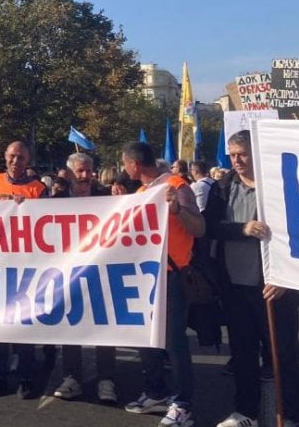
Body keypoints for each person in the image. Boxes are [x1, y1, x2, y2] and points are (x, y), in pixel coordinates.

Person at [205, 130, 299, 427]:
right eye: (232, 155)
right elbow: (209, 226)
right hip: (235, 284)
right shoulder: (222, 187)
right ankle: (246, 411)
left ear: (257, 153)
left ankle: (290, 415)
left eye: (242, 155)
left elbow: (297, 234)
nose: (236, 161)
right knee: (242, 352)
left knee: (282, 355)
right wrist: (242, 229)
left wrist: (287, 276)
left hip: (275, 287)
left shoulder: (279, 185)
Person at [121, 142, 204, 427]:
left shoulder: (176, 185)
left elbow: (199, 227)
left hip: (172, 274)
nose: (123, 169)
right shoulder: (142, 193)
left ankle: (183, 403)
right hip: (147, 275)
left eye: (124, 164)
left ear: (134, 165)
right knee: (147, 338)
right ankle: (156, 391)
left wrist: (178, 209)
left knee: (173, 342)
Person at [0, 141, 51, 399]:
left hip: (25, 265)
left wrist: (29, 209)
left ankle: (25, 376)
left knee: (23, 323)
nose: (15, 161)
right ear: (5, 157)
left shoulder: (38, 188)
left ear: (28, 160)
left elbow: (49, 223)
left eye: (20, 157)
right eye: (12, 156)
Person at [52, 153, 119, 405]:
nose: (85, 176)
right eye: (80, 171)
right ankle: (71, 377)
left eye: (88, 171)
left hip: (101, 270)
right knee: (71, 324)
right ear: (68, 173)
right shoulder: (55, 201)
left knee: (104, 325)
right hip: (67, 272)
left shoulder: (109, 197)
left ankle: (106, 379)